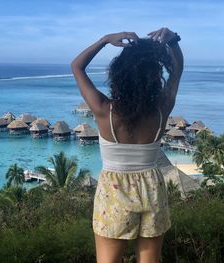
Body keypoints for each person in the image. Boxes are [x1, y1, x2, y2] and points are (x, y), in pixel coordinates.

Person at [71, 27, 184, 263]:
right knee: (150, 259)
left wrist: (103, 40)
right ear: (154, 76)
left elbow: (77, 66)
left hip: (114, 191)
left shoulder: (105, 110)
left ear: (119, 73)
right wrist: (173, 41)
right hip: (151, 187)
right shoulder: (162, 109)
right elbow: (177, 71)